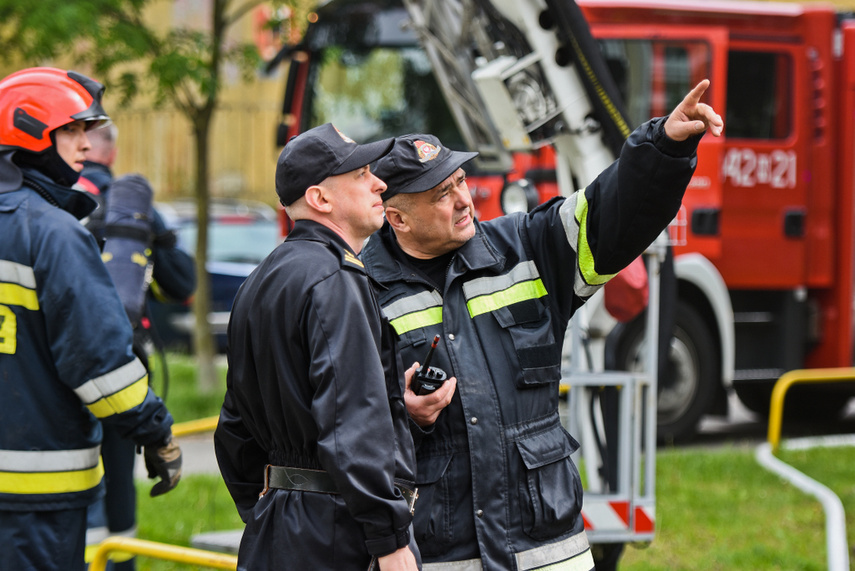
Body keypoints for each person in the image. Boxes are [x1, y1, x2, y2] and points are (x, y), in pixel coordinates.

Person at [360, 80, 723, 570]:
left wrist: (664, 147)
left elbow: (612, 214)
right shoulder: (359, 291)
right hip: (443, 556)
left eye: (461, 181)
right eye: (441, 194)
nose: (464, 199)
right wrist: (403, 412)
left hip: (549, 552)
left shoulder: (526, 247)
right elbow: (343, 427)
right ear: (397, 218)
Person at [214, 123, 423, 570]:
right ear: (321, 199)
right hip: (339, 533)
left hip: (278, 527)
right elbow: (352, 422)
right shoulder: (336, 279)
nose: (380, 182)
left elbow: (234, 427)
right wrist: (389, 540)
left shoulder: (260, 280)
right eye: (362, 173)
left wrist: (271, 506)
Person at [0, 67, 183, 571]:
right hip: (38, 496)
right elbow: (99, 362)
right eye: (73, 130)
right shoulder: (54, 233)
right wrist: (156, 432)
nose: (87, 143)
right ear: (30, 131)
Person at [78, 123, 196, 571]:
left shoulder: (49, 200)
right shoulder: (132, 209)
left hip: (58, 374)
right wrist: (158, 237)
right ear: (112, 152)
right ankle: (120, 560)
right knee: (118, 482)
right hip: (124, 368)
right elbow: (182, 285)